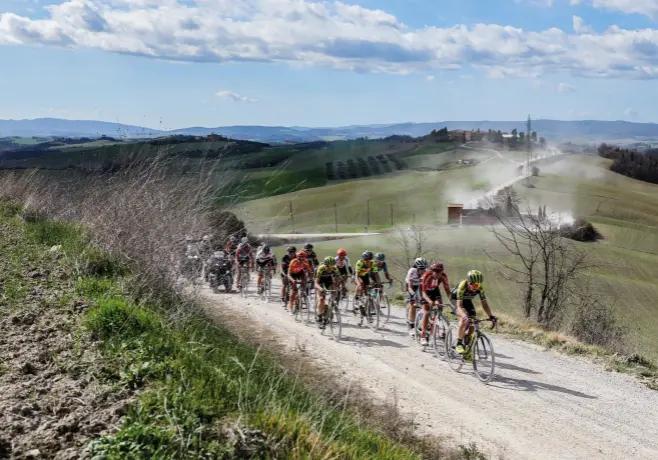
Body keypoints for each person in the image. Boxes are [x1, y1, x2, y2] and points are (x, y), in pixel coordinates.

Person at [451, 270, 497, 355]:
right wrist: (464, 316)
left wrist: (491, 316)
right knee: (464, 318)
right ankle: (459, 344)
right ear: (468, 282)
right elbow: (459, 306)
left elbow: (484, 304)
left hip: (467, 300)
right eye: (474, 284)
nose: (476, 287)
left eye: (478, 284)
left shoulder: (480, 288)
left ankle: (467, 342)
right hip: (456, 300)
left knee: (473, 321)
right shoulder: (462, 286)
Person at [418, 261, 451, 346]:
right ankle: (423, 336)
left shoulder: (443, 276)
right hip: (425, 291)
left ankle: (435, 324)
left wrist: (453, 303)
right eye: (435, 271)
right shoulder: (427, 275)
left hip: (435, 290)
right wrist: (429, 301)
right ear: (431, 271)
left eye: (440, 272)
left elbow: (447, 291)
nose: (438, 274)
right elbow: (424, 294)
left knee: (439, 307)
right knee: (426, 311)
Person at [314, 256, 341, 329]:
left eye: (333, 265)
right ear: (326, 265)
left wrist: (339, 286)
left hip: (328, 281)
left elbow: (339, 279)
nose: (331, 267)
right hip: (320, 282)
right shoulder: (321, 268)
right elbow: (316, 283)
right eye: (329, 266)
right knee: (322, 298)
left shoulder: (335, 269)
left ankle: (327, 313)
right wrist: (320, 288)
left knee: (333, 296)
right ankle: (319, 315)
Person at [405, 258, 428, 336]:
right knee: (413, 303)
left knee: (424, 302)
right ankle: (411, 326)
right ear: (416, 267)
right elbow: (410, 287)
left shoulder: (426, 272)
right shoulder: (412, 271)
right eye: (420, 268)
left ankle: (422, 322)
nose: (422, 270)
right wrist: (413, 295)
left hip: (419, 286)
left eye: (424, 268)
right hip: (411, 286)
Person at [354, 251, 381, 316]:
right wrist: (359, 284)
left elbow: (376, 274)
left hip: (365, 276)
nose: (368, 261)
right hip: (358, 275)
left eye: (370, 259)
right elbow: (356, 276)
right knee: (360, 285)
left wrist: (378, 282)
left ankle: (366, 306)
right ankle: (356, 300)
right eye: (366, 260)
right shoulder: (359, 263)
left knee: (367, 290)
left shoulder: (373, 263)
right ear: (364, 259)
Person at [287, 250, 313, 314]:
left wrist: (310, 278)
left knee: (304, 280)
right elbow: (288, 274)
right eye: (300, 258)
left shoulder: (306, 261)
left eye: (303, 258)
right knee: (293, 291)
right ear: (297, 257)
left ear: (305, 257)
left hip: (300, 273)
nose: (301, 260)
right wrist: (293, 280)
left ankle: (302, 293)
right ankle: (290, 307)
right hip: (292, 274)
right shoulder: (293, 261)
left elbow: (309, 271)